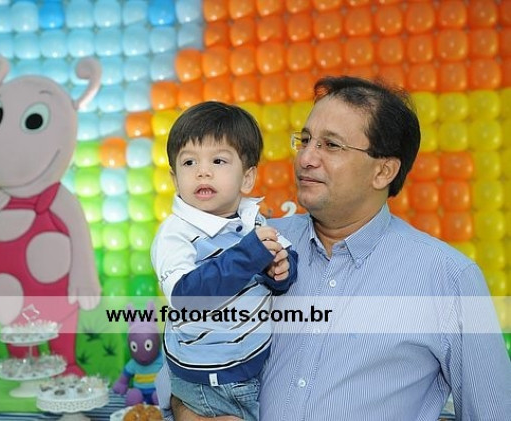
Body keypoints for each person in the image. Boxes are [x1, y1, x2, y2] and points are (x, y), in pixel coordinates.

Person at [156, 76, 511, 420]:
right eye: (305, 140)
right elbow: (183, 356)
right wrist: (191, 413)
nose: (306, 158)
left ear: (383, 171)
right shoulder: (259, 244)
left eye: (331, 145)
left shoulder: (448, 279)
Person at [151, 101, 298, 421]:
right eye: (189, 162)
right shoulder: (176, 234)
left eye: (218, 160)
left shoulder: (251, 217)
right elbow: (187, 297)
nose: (202, 171)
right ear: (175, 180)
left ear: (247, 178)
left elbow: (283, 256)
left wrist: (280, 269)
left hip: (251, 366)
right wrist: (249, 256)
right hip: (207, 379)